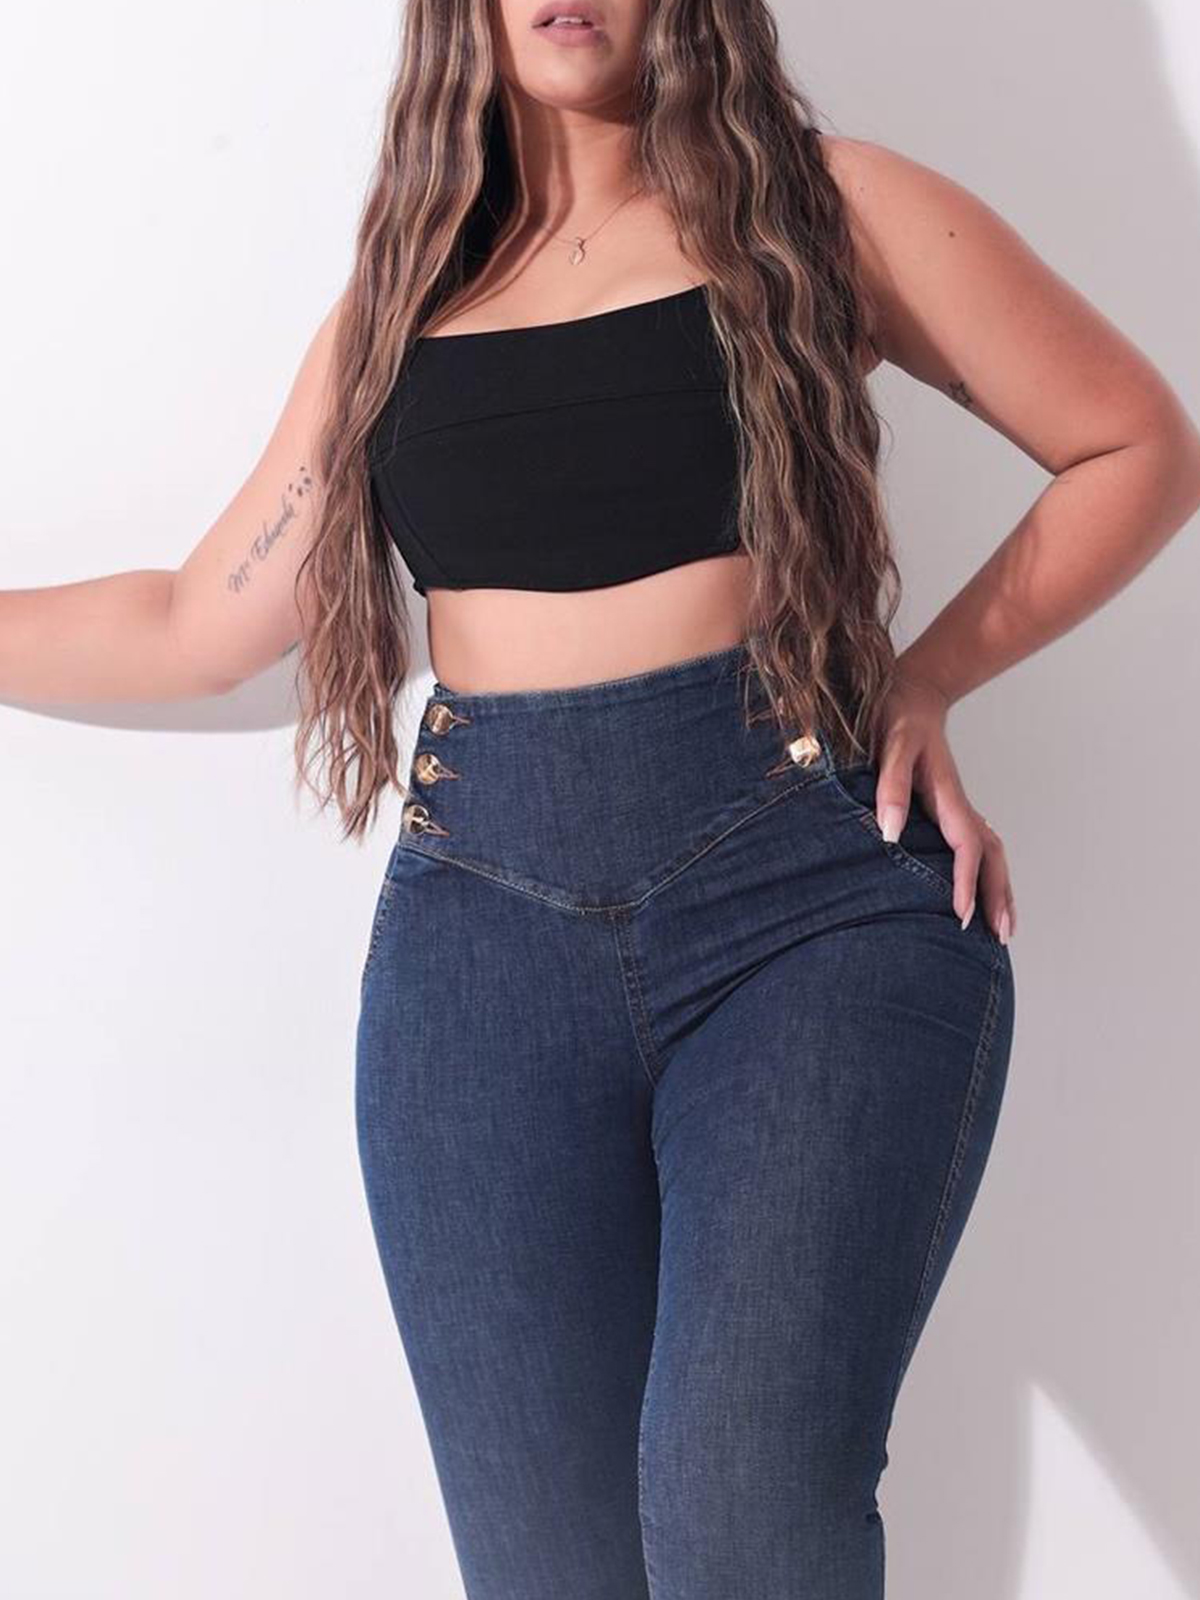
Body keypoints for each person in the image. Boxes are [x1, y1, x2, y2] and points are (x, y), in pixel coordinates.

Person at [6, 2, 1200, 1596]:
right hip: (480, 958)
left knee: (742, 1520)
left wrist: (923, 682)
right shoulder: (400, 301)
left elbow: (1132, 442)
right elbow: (193, 622)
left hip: (804, 910)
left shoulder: (819, 209)